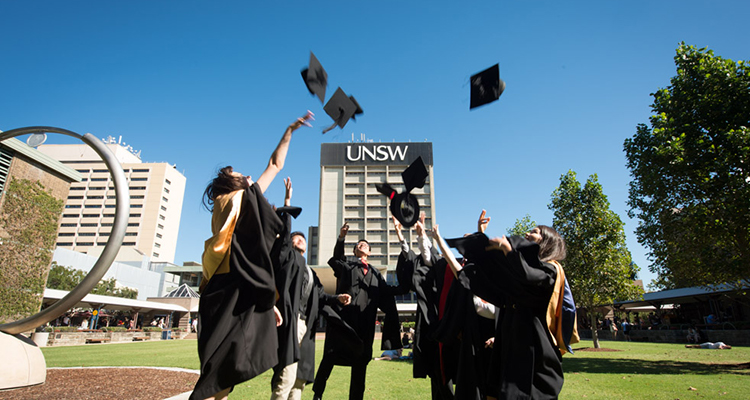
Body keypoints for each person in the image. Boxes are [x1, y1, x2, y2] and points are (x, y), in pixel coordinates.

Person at [190, 111, 313, 400]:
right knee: (215, 372)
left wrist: (290, 131)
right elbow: (273, 165)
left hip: (233, 288)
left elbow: (275, 164)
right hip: (225, 290)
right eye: (238, 175)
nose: (245, 175)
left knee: (225, 373)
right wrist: (289, 131)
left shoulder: (239, 203)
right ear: (229, 185)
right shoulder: (232, 200)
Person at [435, 219, 579, 400]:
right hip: (508, 355)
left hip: (535, 357)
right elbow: (471, 279)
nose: (527, 234)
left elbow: (529, 275)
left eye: (534, 232)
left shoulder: (551, 271)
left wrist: (508, 250)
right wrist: (445, 244)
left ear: (547, 242)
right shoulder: (512, 283)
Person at [271, 177, 351, 400]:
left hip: (307, 326)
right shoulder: (287, 258)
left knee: (300, 381)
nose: (301, 239)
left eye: (302, 238)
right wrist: (288, 201)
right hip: (290, 320)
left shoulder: (310, 271)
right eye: (297, 237)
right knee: (286, 375)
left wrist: (338, 299)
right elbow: (284, 238)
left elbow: (320, 295)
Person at [312, 223, 402, 400]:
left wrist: (406, 286)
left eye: (366, 245)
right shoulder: (347, 266)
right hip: (343, 321)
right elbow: (337, 258)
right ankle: (318, 393)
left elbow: (387, 292)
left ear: (369, 252)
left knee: (360, 365)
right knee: (330, 357)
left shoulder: (376, 274)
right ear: (354, 252)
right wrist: (341, 237)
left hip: (364, 326)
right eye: (359, 244)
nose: (363, 245)